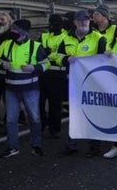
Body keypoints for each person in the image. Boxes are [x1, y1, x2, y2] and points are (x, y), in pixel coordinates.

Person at [0, 19, 47, 158]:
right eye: (12, 29)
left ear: (24, 33)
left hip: (30, 89)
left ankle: (36, 145)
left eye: (16, 30)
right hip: (11, 89)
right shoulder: (7, 45)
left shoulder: (36, 46)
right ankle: (12, 147)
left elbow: (46, 64)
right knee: (11, 120)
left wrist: (34, 68)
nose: (13, 32)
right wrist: (2, 65)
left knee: (34, 118)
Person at [65, 10, 107, 157]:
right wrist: (65, 59)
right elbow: (55, 55)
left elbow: (104, 59)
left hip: (92, 83)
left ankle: (94, 147)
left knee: (92, 114)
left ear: (90, 21)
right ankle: (71, 145)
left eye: (86, 20)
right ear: (74, 22)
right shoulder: (66, 37)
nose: (83, 22)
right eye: (80, 20)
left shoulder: (99, 38)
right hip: (74, 82)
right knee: (74, 113)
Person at [39, 14, 76, 141]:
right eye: (51, 23)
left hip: (58, 75)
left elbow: (65, 54)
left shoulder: (66, 37)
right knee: (40, 103)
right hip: (44, 74)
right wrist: (49, 54)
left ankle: (54, 129)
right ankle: (42, 125)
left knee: (55, 104)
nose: (52, 25)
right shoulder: (44, 36)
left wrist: (49, 53)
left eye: (55, 23)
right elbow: (39, 52)